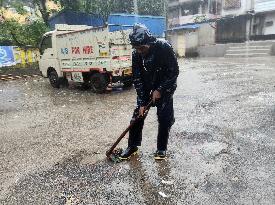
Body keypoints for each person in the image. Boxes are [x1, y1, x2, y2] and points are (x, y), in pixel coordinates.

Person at [119, 24, 179, 160]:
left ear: (149, 42)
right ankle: (132, 146)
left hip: (165, 85)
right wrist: (141, 101)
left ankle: (161, 148)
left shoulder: (164, 47)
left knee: (164, 117)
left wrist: (160, 89)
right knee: (137, 116)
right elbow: (137, 78)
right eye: (137, 48)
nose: (140, 51)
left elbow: (174, 71)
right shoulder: (136, 54)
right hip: (147, 87)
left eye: (142, 48)